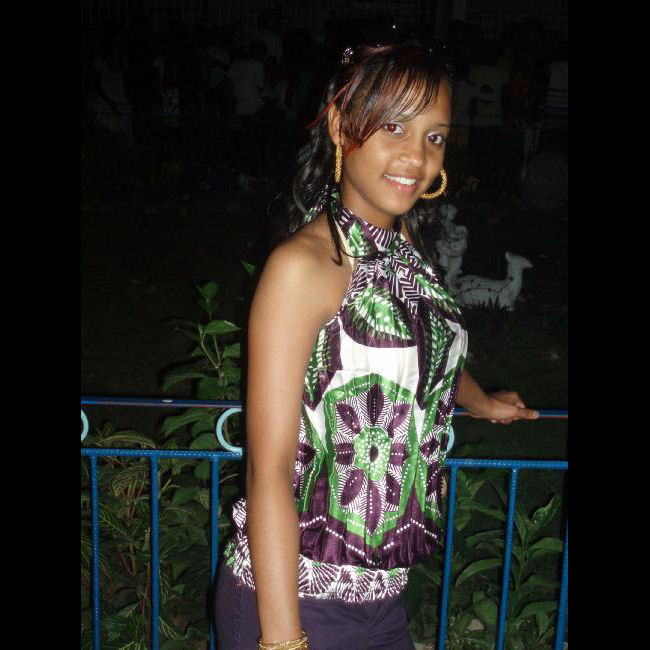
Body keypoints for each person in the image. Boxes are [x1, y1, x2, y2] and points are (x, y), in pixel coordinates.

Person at [214, 43, 539, 650]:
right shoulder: (302, 268)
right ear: (342, 127)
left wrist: (480, 401)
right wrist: (283, 642)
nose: (417, 157)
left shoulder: (403, 244)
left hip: (382, 600)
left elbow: (425, 344)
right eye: (394, 127)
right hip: (291, 599)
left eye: (435, 137)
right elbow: (268, 470)